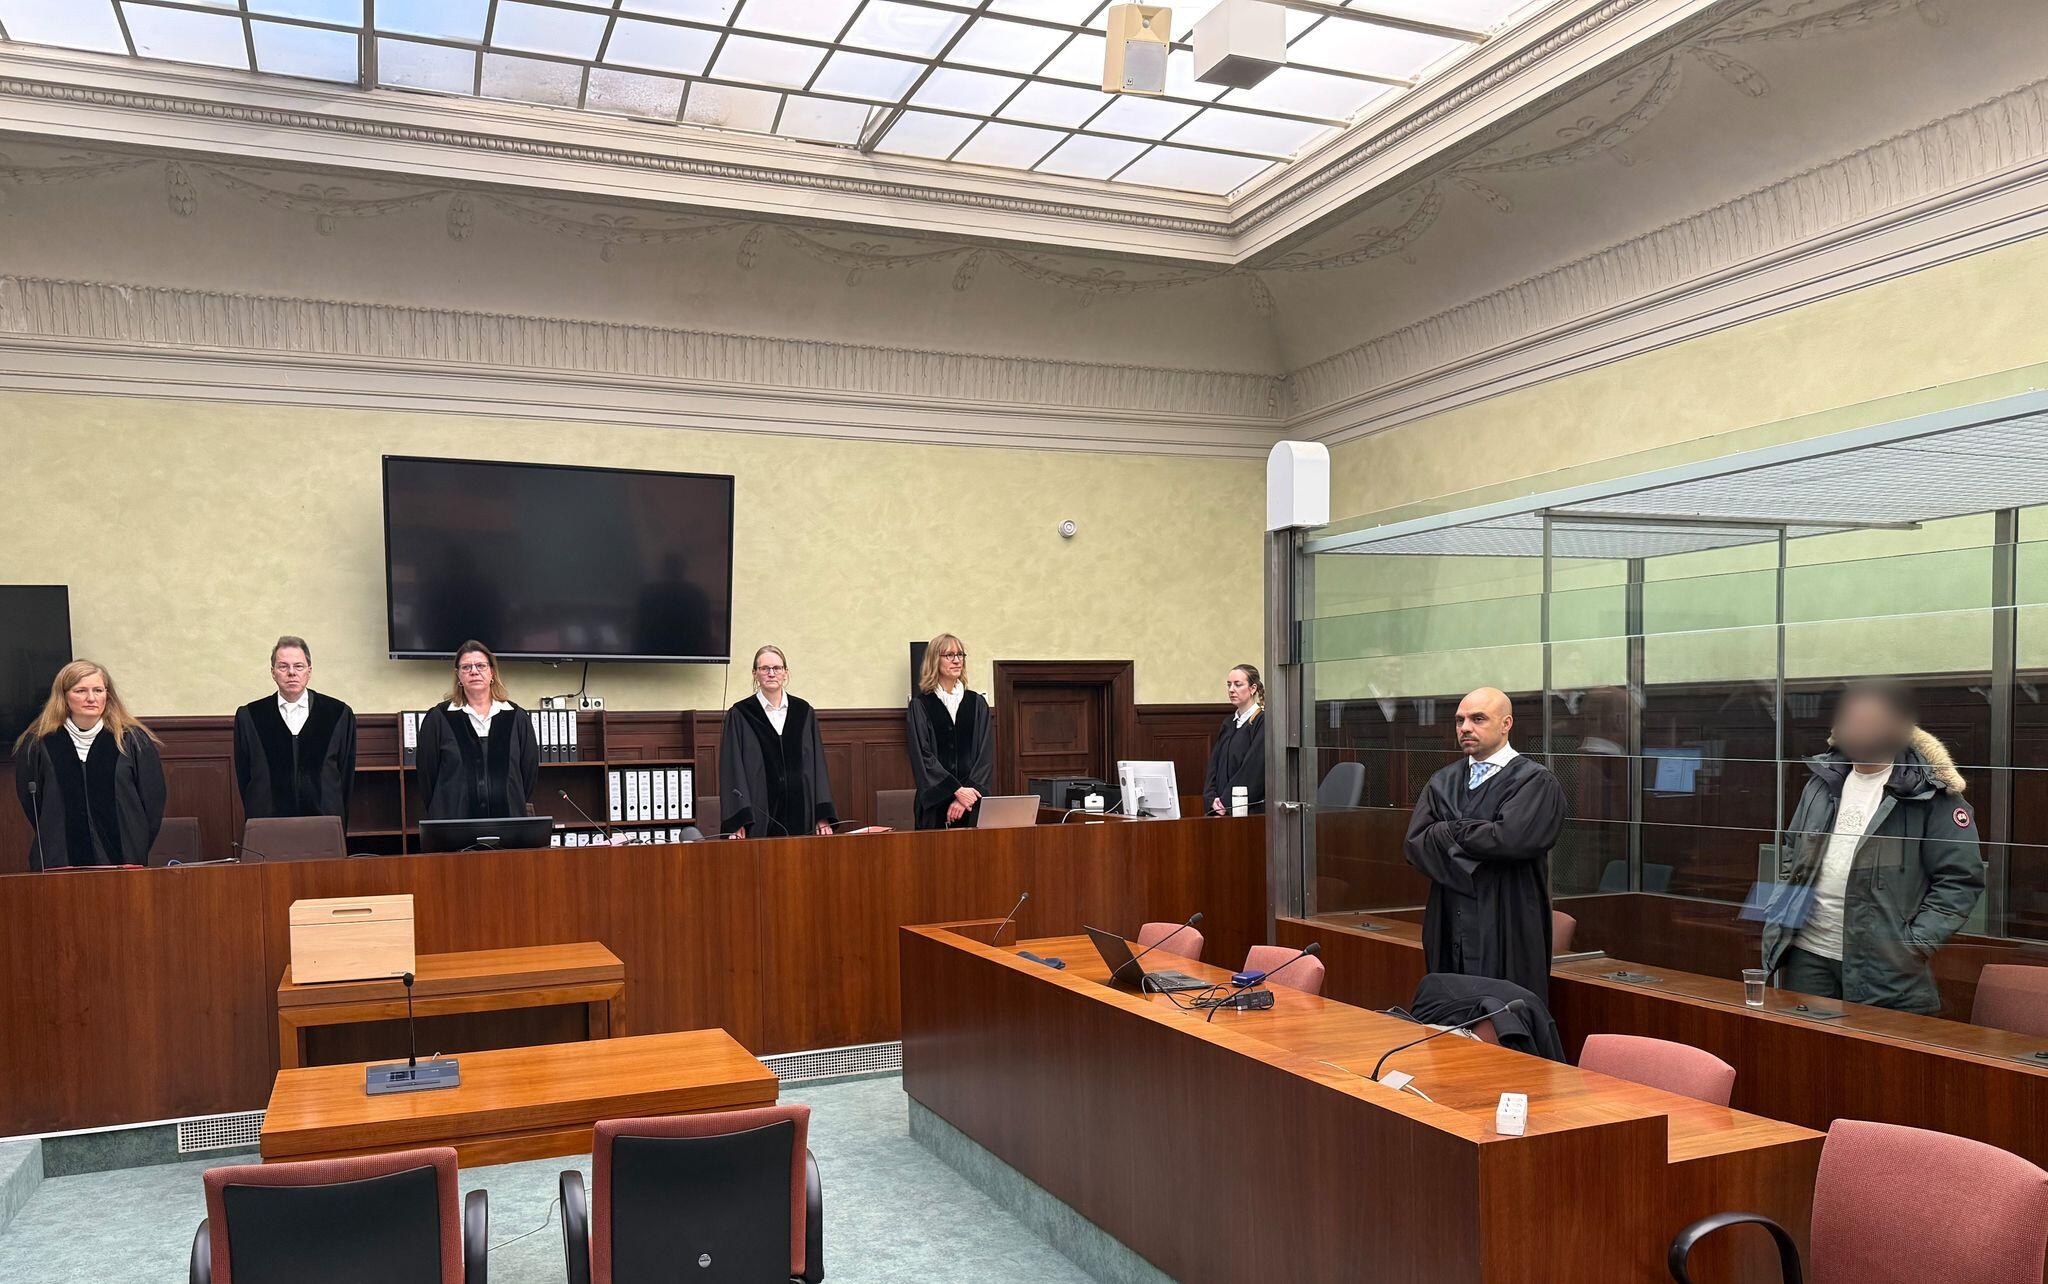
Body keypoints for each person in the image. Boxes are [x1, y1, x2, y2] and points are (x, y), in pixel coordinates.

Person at [1760, 681, 1983, 1014]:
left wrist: (1912, 946)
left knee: (1875, 1047)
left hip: (1885, 966)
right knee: (1807, 1045)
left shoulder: (1929, 793)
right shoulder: (1821, 781)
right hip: (1809, 952)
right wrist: (1782, 906)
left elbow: (1960, 881)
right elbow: (1792, 849)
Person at [1401, 687, 1566, 1005]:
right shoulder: (1442, 781)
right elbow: (1417, 844)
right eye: (1460, 720)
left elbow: (1510, 841)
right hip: (1449, 917)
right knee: (1449, 1009)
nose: (1465, 728)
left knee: (1506, 1011)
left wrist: (1448, 831)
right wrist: (1480, 835)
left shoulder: (1535, 782)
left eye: (1478, 719)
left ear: (1506, 724)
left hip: (1507, 916)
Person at [12, 659, 166, 869]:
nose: (91, 698)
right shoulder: (39, 743)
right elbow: (33, 803)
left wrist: (136, 843)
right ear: (64, 696)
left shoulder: (132, 740)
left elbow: (152, 803)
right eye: (81, 691)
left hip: (124, 858)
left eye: (98, 690)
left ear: (107, 695)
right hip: (60, 857)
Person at [232, 635, 356, 821]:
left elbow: (345, 777)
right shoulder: (250, 716)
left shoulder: (338, 714)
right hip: (268, 823)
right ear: (273, 672)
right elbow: (244, 778)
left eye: (299, 666)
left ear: (309, 671)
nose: (291, 672)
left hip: (324, 822)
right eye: (283, 666)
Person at [720, 645, 836, 838]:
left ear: (785, 672)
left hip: (802, 815)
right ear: (755, 673)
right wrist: (738, 820)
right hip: (759, 817)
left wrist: (822, 814)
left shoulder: (804, 712)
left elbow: (818, 768)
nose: (771, 673)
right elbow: (733, 770)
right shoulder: (740, 714)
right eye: (764, 668)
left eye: (777, 668)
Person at [415, 640, 539, 820]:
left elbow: (528, 772)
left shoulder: (516, 717)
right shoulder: (438, 718)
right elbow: (427, 776)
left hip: (508, 823)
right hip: (453, 823)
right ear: (458, 675)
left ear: (491, 672)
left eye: (481, 666)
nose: (474, 671)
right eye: (466, 667)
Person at [906, 633, 994, 830]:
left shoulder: (977, 704)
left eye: (960, 654)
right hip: (935, 806)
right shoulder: (921, 705)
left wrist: (965, 797)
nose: (956, 660)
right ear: (934, 660)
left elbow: (985, 756)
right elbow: (923, 756)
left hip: (971, 804)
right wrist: (955, 790)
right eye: (949, 655)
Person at [1202, 663, 1267, 815]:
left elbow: (1254, 769)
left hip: (1246, 809)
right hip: (1220, 807)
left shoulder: (1262, 721)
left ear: (1253, 688)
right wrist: (1211, 798)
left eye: (1238, 684)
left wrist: (1226, 802)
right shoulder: (1229, 723)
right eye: (1229, 685)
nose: (1231, 690)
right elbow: (1214, 766)